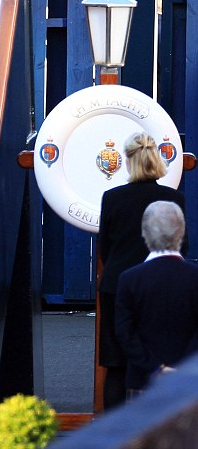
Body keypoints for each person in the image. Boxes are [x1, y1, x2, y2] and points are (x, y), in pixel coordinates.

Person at [97, 131, 186, 409]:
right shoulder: (173, 199)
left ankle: (114, 436)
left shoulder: (112, 198)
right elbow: (182, 248)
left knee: (116, 365)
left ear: (129, 161)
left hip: (117, 287)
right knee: (163, 360)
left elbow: (105, 249)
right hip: (161, 288)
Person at [115, 201, 198, 399]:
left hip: (143, 381)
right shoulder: (195, 277)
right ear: (182, 232)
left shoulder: (130, 279)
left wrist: (155, 369)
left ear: (145, 233)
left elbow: (124, 333)